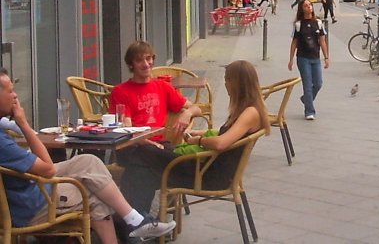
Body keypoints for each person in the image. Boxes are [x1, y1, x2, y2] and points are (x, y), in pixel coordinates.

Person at [0, 68, 175, 243]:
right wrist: (22, 124)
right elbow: (48, 170)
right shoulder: (3, 143)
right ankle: (135, 222)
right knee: (95, 193)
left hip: (23, 189)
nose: (16, 96)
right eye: (10, 91)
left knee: (90, 162)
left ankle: (134, 220)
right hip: (30, 204)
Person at [112, 60, 270, 222]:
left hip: (209, 174)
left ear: (238, 83)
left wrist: (199, 140)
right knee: (142, 169)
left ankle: (131, 223)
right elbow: (227, 134)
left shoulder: (250, 112)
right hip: (207, 166)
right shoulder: (248, 110)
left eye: (227, 80)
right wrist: (199, 132)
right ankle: (139, 223)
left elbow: (221, 143)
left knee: (143, 152)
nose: (226, 85)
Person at [110, 41, 202, 210]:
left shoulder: (162, 87)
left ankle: (136, 223)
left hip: (159, 147)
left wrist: (186, 114)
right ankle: (188, 168)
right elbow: (127, 131)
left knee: (140, 173)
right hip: (133, 146)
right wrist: (148, 142)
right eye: (139, 61)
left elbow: (196, 108)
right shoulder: (121, 91)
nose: (146, 64)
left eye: (148, 58)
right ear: (131, 64)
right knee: (150, 152)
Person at [289, 0, 330, 120]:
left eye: (310, 5)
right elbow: (294, 43)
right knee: (307, 85)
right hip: (303, 58)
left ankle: (306, 99)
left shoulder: (318, 23)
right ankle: (309, 111)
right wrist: (290, 59)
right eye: (306, 6)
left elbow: (322, 41)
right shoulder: (298, 24)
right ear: (302, 9)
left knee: (318, 84)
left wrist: (326, 57)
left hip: (315, 58)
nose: (309, 7)